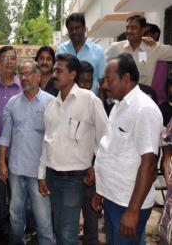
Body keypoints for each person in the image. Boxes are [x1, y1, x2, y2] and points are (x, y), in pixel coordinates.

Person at [93, 53, 162, 244]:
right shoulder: (118, 106)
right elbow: (110, 150)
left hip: (129, 202)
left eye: (109, 79)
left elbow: (148, 164)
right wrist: (100, 191)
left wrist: (133, 211)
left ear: (126, 78)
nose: (105, 85)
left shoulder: (144, 109)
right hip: (113, 196)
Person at [38, 53, 107, 245]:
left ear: (72, 74)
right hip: (52, 177)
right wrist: (41, 175)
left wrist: (96, 167)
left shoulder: (89, 100)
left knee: (67, 234)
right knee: (59, 229)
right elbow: (47, 142)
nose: (54, 75)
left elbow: (105, 139)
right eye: (54, 70)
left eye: (59, 70)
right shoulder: (52, 106)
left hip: (74, 179)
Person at [0, 61, 56, 245]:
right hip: (16, 169)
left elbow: (55, 139)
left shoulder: (51, 103)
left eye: (28, 73)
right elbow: (5, 136)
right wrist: (2, 163)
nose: (24, 78)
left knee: (43, 219)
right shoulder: (13, 103)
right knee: (15, 215)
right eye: (21, 74)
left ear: (39, 76)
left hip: (40, 172)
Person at [0, 45, 22, 239]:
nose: (9, 61)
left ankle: (16, 232)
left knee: (16, 197)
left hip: (18, 152)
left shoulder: (23, 86)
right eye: (5, 58)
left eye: (12, 58)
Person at [106, 15, 172, 86]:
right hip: (120, 95)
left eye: (133, 28)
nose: (129, 31)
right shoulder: (116, 47)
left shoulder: (153, 48)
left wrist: (140, 38)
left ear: (142, 30)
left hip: (143, 94)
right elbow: (102, 66)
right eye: (127, 27)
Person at [77, 61, 100, 245]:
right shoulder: (67, 102)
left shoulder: (95, 101)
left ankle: (90, 240)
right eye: (83, 81)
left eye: (89, 82)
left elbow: (103, 139)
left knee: (91, 214)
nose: (86, 85)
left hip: (91, 168)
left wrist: (95, 166)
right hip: (72, 169)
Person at [56, 12, 106, 94]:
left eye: (77, 28)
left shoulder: (98, 51)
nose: (74, 32)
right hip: (66, 101)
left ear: (84, 29)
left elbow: (102, 81)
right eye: (71, 29)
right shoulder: (61, 50)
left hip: (90, 103)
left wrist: (99, 103)